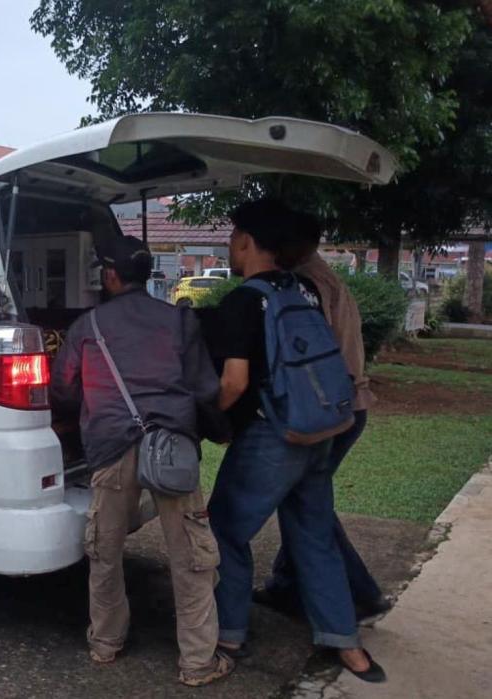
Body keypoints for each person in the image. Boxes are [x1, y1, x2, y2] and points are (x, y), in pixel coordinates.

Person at [207, 200, 385, 682]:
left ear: (245, 241)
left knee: (225, 528)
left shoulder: (243, 300)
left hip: (275, 433)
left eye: (232, 238)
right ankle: (347, 645)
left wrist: (204, 418)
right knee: (314, 535)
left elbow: (234, 384)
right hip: (324, 428)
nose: (230, 247)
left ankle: (229, 634)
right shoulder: (303, 288)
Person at [51, 236, 234, 687]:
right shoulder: (178, 320)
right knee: (190, 557)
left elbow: (64, 390)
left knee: (105, 552)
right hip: (172, 450)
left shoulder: (87, 326)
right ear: (147, 272)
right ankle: (197, 663)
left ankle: (106, 643)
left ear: (110, 275)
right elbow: (204, 388)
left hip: (111, 450)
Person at [254, 212, 391, 620]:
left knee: (307, 504)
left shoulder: (307, 284)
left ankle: (362, 593)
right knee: (302, 499)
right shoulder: (321, 276)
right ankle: (286, 583)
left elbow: (306, 356)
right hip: (346, 405)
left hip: (329, 410)